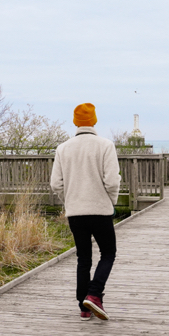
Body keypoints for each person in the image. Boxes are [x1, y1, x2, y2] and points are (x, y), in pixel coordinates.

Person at [50, 103, 121, 321]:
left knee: (83, 258)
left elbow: (56, 184)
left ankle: (84, 306)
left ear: (75, 122)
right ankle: (94, 294)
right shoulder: (105, 145)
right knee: (108, 253)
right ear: (94, 121)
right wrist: (111, 201)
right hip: (100, 211)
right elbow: (112, 181)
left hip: (75, 212)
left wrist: (69, 201)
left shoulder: (63, 148)